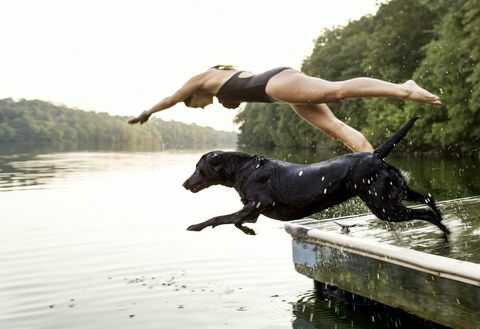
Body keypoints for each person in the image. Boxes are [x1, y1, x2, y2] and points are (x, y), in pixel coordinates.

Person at [128, 65, 441, 152]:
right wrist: (225, 101)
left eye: (194, 106)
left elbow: (170, 98)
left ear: (192, 96)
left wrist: (147, 113)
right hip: (280, 90)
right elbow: (235, 96)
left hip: (275, 84)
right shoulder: (217, 81)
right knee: (336, 128)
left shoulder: (199, 79)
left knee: (337, 91)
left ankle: (404, 89)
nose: (199, 107)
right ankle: (371, 165)